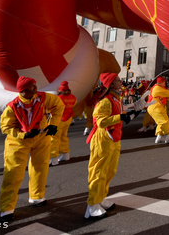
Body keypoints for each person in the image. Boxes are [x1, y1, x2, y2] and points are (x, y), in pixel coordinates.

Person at [0, 76, 64, 221]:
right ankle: (7, 208)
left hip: (41, 138)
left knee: (40, 168)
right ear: (23, 91)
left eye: (35, 85)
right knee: (13, 173)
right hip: (17, 142)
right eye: (32, 86)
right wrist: (23, 135)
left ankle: (36, 196)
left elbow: (58, 106)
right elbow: (6, 127)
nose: (36, 88)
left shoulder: (43, 98)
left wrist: (53, 124)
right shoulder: (12, 107)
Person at [85, 73, 131, 219]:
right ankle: (91, 206)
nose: (121, 81)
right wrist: (120, 117)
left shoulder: (116, 99)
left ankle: (100, 199)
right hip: (102, 141)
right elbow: (100, 122)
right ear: (111, 84)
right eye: (118, 80)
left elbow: (117, 115)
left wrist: (129, 113)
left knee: (109, 171)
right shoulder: (105, 101)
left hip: (113, 140)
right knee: (98, 173)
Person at [50, 80, 77, 165]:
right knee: (64, 137)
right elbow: (74, 104)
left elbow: (52, 108)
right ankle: (65, 154)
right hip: (68, 118)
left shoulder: (59, 98)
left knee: (54, 138)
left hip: (58, 120)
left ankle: (54, 158)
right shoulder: (73, 97)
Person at [147, 75, 169, 143]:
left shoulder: (158, 88)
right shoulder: (157, 88)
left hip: (155, 107)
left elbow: (165, 96)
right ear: (161, 82)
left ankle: (159, 136)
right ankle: (168, 136)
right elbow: (166, 93)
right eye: (164, 82)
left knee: (161, 122)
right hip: (155, 107)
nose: (165, 83)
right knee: (165, 121)